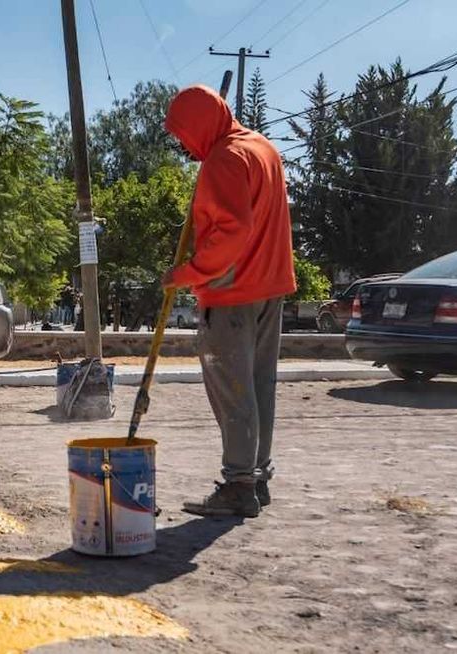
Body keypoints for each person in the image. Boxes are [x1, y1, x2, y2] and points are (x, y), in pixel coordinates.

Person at [161, 85, 296, 517]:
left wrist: (186, 273)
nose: (185, 145)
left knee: (234, 391)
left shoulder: (224, 158)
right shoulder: (263, 149)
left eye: (183, 134)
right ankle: (257, 478)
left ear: (199, 124)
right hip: (269, 288)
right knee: (259, 386)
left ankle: (239, 486)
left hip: (231, 293)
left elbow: (232, 231)